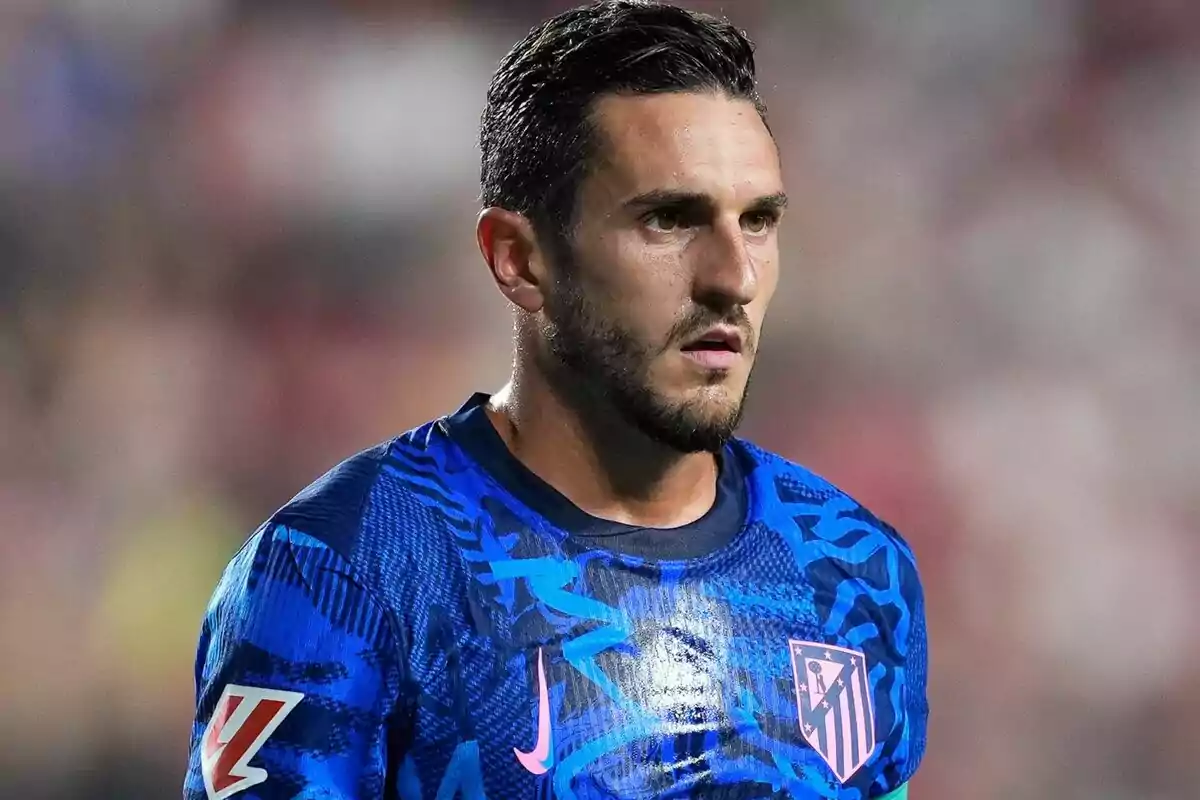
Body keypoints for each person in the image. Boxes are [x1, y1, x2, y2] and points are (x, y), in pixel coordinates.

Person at [183, 2, 928, 798]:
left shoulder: (853, 571)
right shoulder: (347, 571)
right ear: (520, 261)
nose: (732, 278)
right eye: (669, 220)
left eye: (757, 221)